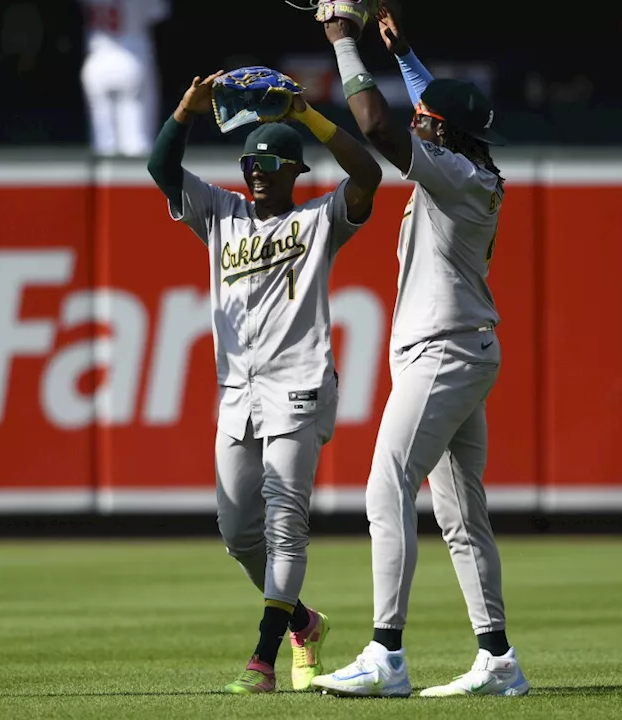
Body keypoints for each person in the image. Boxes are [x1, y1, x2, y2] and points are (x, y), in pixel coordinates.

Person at [307, 8, 529, 698]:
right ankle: (498, 659)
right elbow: (435, 104)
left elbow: (376, 127)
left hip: (445, 352)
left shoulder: (455, 176)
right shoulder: (469, 165)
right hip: (457, 349)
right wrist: (403, 54)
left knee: (385, 486)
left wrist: (344, 43)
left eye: (428, 118)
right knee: (461, 515)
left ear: (444, 132)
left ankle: (387, 655)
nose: (420, 120)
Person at [146, 68, 382, 693]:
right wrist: (185, 111)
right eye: (251, 162)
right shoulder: (220, 214)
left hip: (299, 385)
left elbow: (369, 176)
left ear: (293, 171)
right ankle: (304, 620)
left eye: (270, 164)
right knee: (237, 533)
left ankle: (263, 659)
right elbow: (161, 169)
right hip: (237, 393)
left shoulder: (317, 221)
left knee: (285, 524)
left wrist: (308, 116)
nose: (255, 172)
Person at [79, 0, 169, 156]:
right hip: (130, 57)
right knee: (135, 143)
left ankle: (105, 179)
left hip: (96, 60)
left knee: (103, 143)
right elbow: (160, 11)